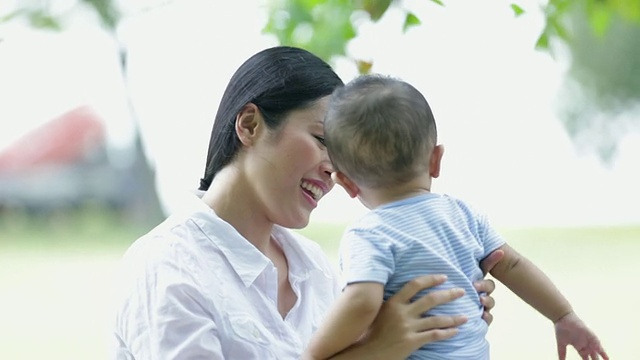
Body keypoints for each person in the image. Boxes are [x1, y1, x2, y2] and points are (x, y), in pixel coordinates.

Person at [111, 46, 504, 359]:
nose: (335, 171)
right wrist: (377, 350)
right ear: (250, 125)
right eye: (321, 141)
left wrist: (431, 317)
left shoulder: (313, 267)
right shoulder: (168, 267)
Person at [302, 74, 609, 360]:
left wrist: (315, 353)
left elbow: (362, 302)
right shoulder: (464, 214)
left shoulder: (369, 233)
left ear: (346, 183)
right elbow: (513, 264)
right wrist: (563, 316)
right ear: (436, 160)